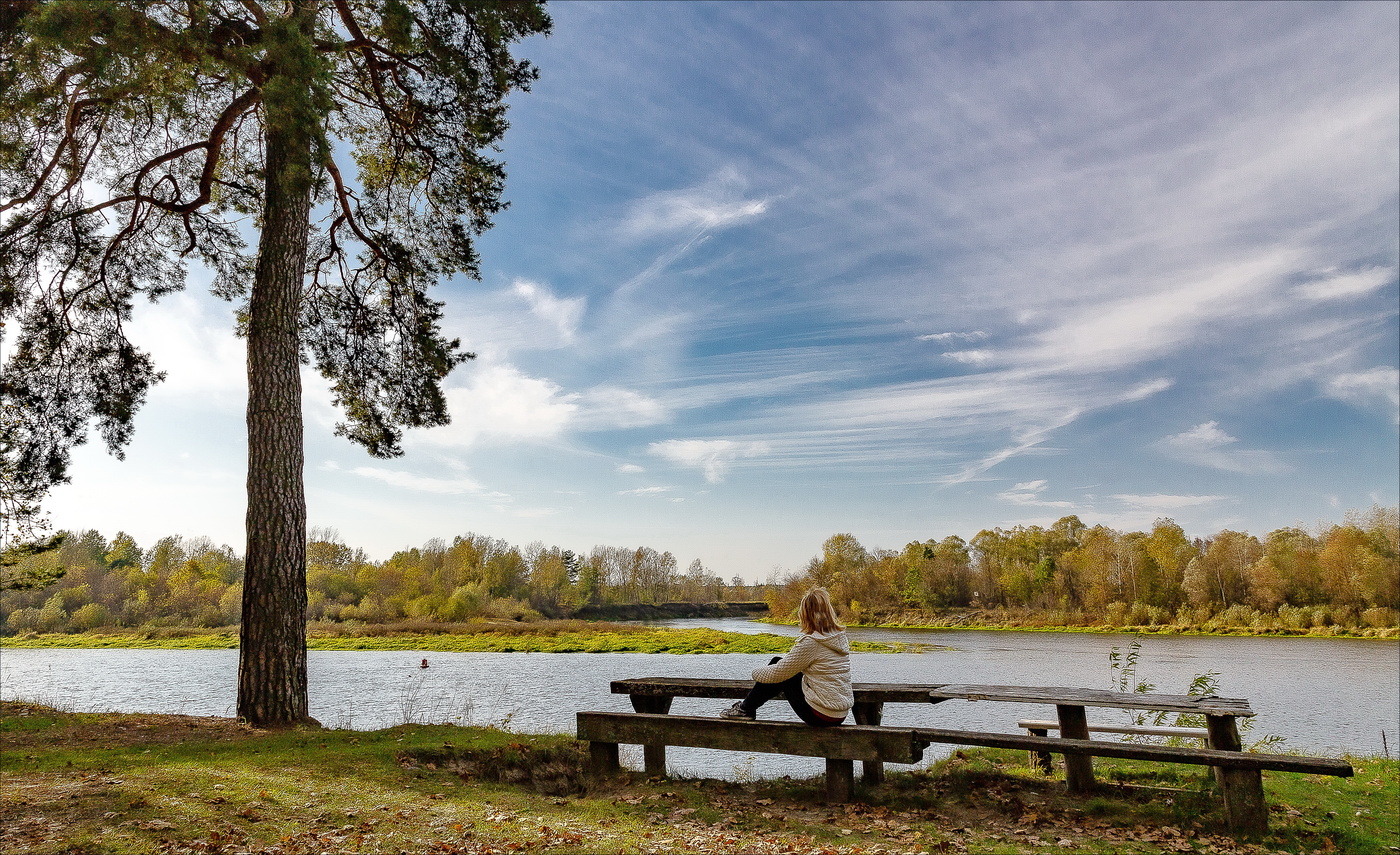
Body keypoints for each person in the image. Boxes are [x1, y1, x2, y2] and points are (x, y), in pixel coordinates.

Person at [720, 587, 852, 726]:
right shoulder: (838, 638)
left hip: (821, 715)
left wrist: (754, 672)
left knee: (779, 667)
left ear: (805, 614)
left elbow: (777, 673)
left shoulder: (812, 642)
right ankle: (745, 709)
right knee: (782, 666)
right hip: (840, 713)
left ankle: (744, 709)